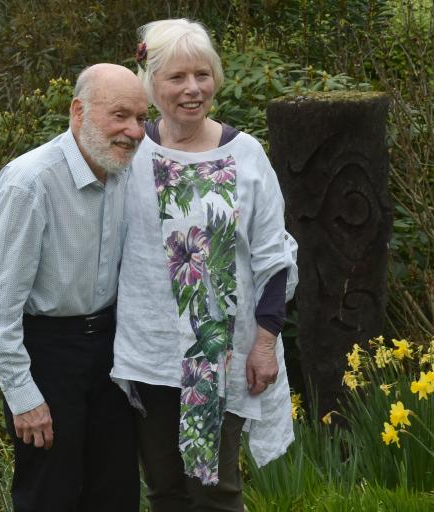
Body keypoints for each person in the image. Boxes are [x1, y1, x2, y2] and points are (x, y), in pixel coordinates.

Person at [111, 19, 299, 512]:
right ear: (151, 83)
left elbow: (273, 257)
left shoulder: (246, 155)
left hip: (219, 356)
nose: (192, 89)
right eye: (176, 77)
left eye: (203, 74)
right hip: (147, 352)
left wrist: (265, 343)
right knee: (166, 493)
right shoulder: (130, 154)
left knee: (214, 492)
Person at [0, 63, 147, 512]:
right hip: (48, 353)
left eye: (141, 119)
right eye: (120, 115)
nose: (134, 131)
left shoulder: (126, 169)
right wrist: (23, 396)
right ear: (78, 111)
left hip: (113, 349)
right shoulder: (29, 182)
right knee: (49, 495)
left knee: (116, 491)